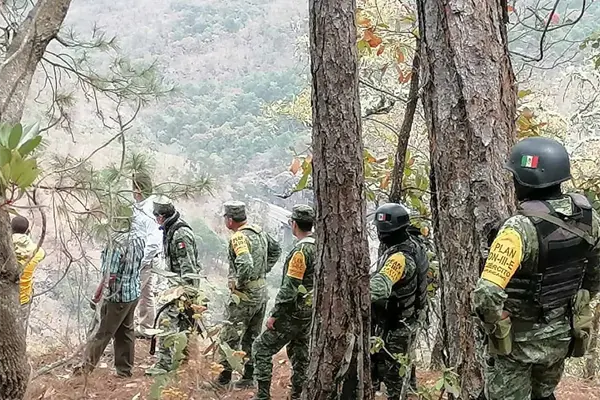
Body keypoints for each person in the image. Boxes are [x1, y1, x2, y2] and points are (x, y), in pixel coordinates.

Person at [473, 137, 600, 400]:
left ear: (523, 181)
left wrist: (498, 323)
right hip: (561, 336)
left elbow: (486, 293)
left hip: (517, 345)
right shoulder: (588, 218)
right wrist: (578, 299)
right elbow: (595, 271)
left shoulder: (518, 229)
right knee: (544, 395)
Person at [252, 205, 316, 400]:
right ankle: (298, 394)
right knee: (300, 353)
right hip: (310, 312)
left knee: (261, 348)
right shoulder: (320, 246)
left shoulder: (301, 251)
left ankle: (262, 396)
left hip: (294, 312)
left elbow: (290, 287)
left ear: (294, 224)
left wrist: (275, 314)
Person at [216, 201, 282, 387]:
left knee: (230, 334)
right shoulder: (258, 232)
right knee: (252, 335)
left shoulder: (239, 237)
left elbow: (245, 264)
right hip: (261, 291)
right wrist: (263, 270)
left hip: (245, 294)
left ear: (230, 220)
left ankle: (224, 379)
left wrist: (239, 283)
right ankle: (248, 377)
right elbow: (276, 249)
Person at [370, 203, 429, 399]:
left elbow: (378, 288)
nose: (379, 234)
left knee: (394, 379)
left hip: (397, 327)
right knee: (404, 372)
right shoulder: (414, 244)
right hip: (409, 319)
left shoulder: (400, 258)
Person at [77, 228, 145, 377]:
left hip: (116, 297)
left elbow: (110, 276)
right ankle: (124, 371)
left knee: (100, 333)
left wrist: (97, 296)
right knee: (125, 332)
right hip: (132, 293)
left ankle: (84, 371)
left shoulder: (115, 243)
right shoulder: (138, 236)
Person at [145, 196, 202, 375]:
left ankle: (164, 364)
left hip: (182, 288)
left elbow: (188, 267)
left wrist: (186, 293)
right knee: (186, 324)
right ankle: (183, 360)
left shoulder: (180, 234)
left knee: (166, 321)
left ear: (161, 216)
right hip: (178, 286)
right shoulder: (171, 229)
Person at [131, 172, 163, 338]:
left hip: (146, 258)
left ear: (138, 189)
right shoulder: (139, 205)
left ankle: (128, 327)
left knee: (133, 292)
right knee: (146, 294)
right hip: (145, 257)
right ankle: (146, 328)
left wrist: (141, 261)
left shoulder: (149, 209)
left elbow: (154, 240)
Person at [12, 215, 46, 331]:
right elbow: (43, 254)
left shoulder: (6, 248)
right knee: (18, 333)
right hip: (23, 299)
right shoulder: (38, 252)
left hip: (4, 297)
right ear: (28, 231)